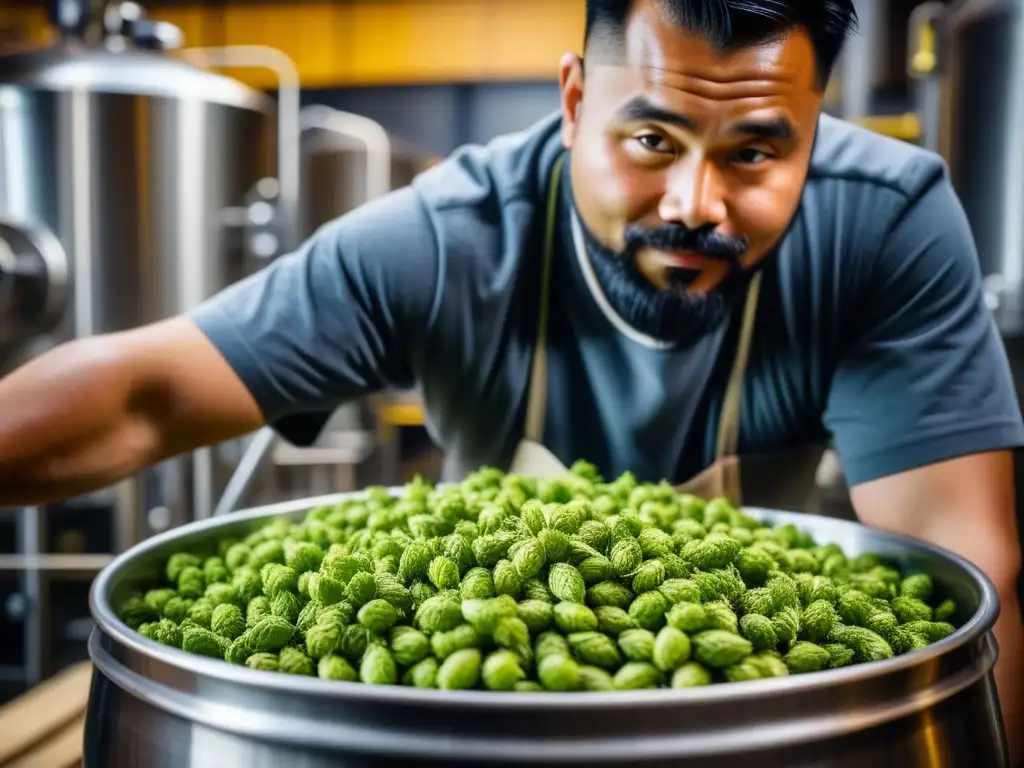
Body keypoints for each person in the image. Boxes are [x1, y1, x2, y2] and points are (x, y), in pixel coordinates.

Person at [0, 0, 1021, 756]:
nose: (695, 203)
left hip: (765, 731)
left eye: (756, 151)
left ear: (816, 120)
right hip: (449, 734)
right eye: (651, 137)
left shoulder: (883, 224)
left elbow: (956, 582)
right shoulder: (447, 236)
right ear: (575, 101)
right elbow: (143, 395)